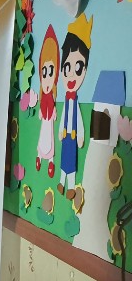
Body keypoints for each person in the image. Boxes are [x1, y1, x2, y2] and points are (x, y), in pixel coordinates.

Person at [58, 14, 92, 199]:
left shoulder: (75, 102)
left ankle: (70, 186)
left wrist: (80, 136)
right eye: (67, 68)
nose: (71, 75)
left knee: (71, 161)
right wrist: (59, 131)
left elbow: (78, 119)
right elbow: (64, 115)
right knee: (63, 159)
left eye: (78, 68)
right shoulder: (66, 100)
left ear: (84, 69)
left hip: (72, 137)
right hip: (65, 136)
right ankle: (61, 182)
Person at [36, 25, 59, 179]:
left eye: (50, 72)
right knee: (42, 138)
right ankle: (39, 156)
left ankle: (50, 161)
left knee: (50, 139)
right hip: (45, 119)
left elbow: (54, 114)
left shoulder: (52, 97)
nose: (47, 77)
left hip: (49, 120)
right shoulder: (42, 98)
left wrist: (53, 111)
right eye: (44, 72)